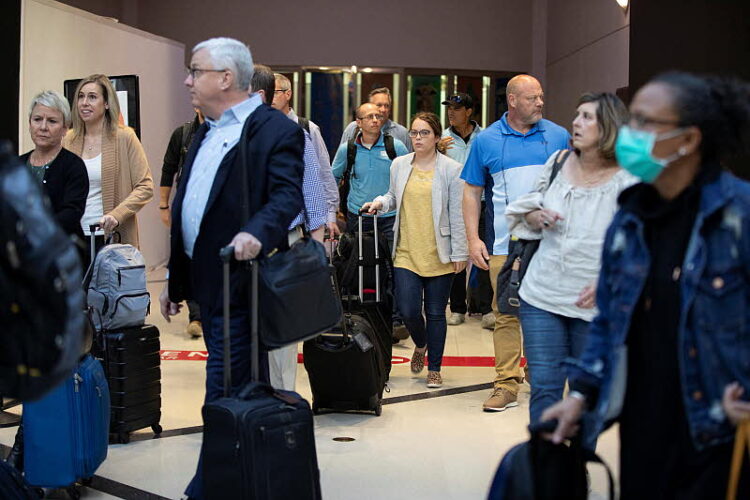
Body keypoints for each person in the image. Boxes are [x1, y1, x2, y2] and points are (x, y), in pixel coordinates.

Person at [543, 72, 750, 498]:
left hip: (715, 432)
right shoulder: (632, 217)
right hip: (643, 426)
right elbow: (609, 320)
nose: (628, 133)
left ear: (688, 140)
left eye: (643, 122)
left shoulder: (739, 214)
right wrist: (581, 394)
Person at [158, 37, 304, 500]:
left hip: (243, 286)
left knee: (223, 390)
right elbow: (191, 205)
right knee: (229, 391)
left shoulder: (274, 130)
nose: (187, 79)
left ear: (225, 78)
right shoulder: (203, 130)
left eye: (195, 70)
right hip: (207, 284)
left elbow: (286, 197)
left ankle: (210, 488)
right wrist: (177, 283)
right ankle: (236, 482)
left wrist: (256, 232)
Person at [505, 92, 634, 431]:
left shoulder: (630, 180)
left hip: (595, 304)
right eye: (576, 115)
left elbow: (641, 245)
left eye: (587, 117)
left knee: (585, 393)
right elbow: (528, 207)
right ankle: (545, 468)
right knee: (545, 388)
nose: (576, 122)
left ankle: (576, 469)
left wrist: (611, 281)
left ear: (609, 126)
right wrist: (534, 218)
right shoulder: (559, 162)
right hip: (542, 295)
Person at [461, 74, 570, 412]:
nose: (540, 102)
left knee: (547, 313)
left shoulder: (558, 135)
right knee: (505, 313)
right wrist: (472, 238)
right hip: (504, 244)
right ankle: (506, 384)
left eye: (541, 96)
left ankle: (541, 377)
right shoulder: (487, 140)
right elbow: (472, 191)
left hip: (550, 244)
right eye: (532, 98)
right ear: (512, 100)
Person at [362, 112, 467, 388]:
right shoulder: (399, 164)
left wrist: (461, 253)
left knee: (435, 313)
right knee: (408, 310)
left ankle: (435, 368)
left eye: (424, 133)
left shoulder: (451, 169)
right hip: (406, 250)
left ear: (435, 137)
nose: (417, 138)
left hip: (439, 252)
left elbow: (457, 214)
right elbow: (393, 196)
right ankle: (421, 344)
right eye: (414, 133)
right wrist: (380, 204)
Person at [251, 63, 326, 392]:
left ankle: (284, 398)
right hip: (242, 248)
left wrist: (317, 251)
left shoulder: (293, 134)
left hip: (285, 243)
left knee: (282, 331)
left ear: (258, 95)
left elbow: (313, 192)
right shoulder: (227, 136)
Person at [63, 74, 154, 266]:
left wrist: (116, 215)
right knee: (78, 295)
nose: (84, 103)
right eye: (81, 97)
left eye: (92, 97)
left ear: (106, 103)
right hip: (75, 236)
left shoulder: (125, 137)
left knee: (110, 294)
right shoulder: (69, 139)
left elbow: (145, 186)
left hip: (110, 238)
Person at [439, 93, 492, 328]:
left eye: (457, 108)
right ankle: (457, 307)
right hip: (453, 203)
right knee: (457, 255)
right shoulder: (442, 139)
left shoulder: (486, 137)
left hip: (480, 202)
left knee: (483, 254)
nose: (451, 112)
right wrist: (437, 151)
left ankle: (485, 307)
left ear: (469, 111)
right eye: (449, 108)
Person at [273, 72, 340, 237]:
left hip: (300, 222)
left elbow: (324, 173)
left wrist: (330, 215)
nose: (269, 98)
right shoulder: (260, 129)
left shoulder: (307, 128)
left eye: (274, 92)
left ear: (287, 94)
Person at [19, 90, 89, 240]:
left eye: (52, 121)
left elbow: (71, 214)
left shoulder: (73, 166)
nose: (43, 127)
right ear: (29, 124)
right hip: (20, 255)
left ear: (65, 128)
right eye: (37, 119)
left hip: (60, 253)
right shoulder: (17, 165)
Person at [159, 110, 205, 338]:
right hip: (186, 205)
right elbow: (168, 170)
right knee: (189, 259)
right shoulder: (183, 134)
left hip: (212, 208)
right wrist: (163, 205)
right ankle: (196, 316)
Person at [340, 87, 412, 151]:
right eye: (379, 105)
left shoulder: (401, 133)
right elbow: (342, 158)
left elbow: (409, 163)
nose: (383, 110)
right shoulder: (353, 128)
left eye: (387, 106)